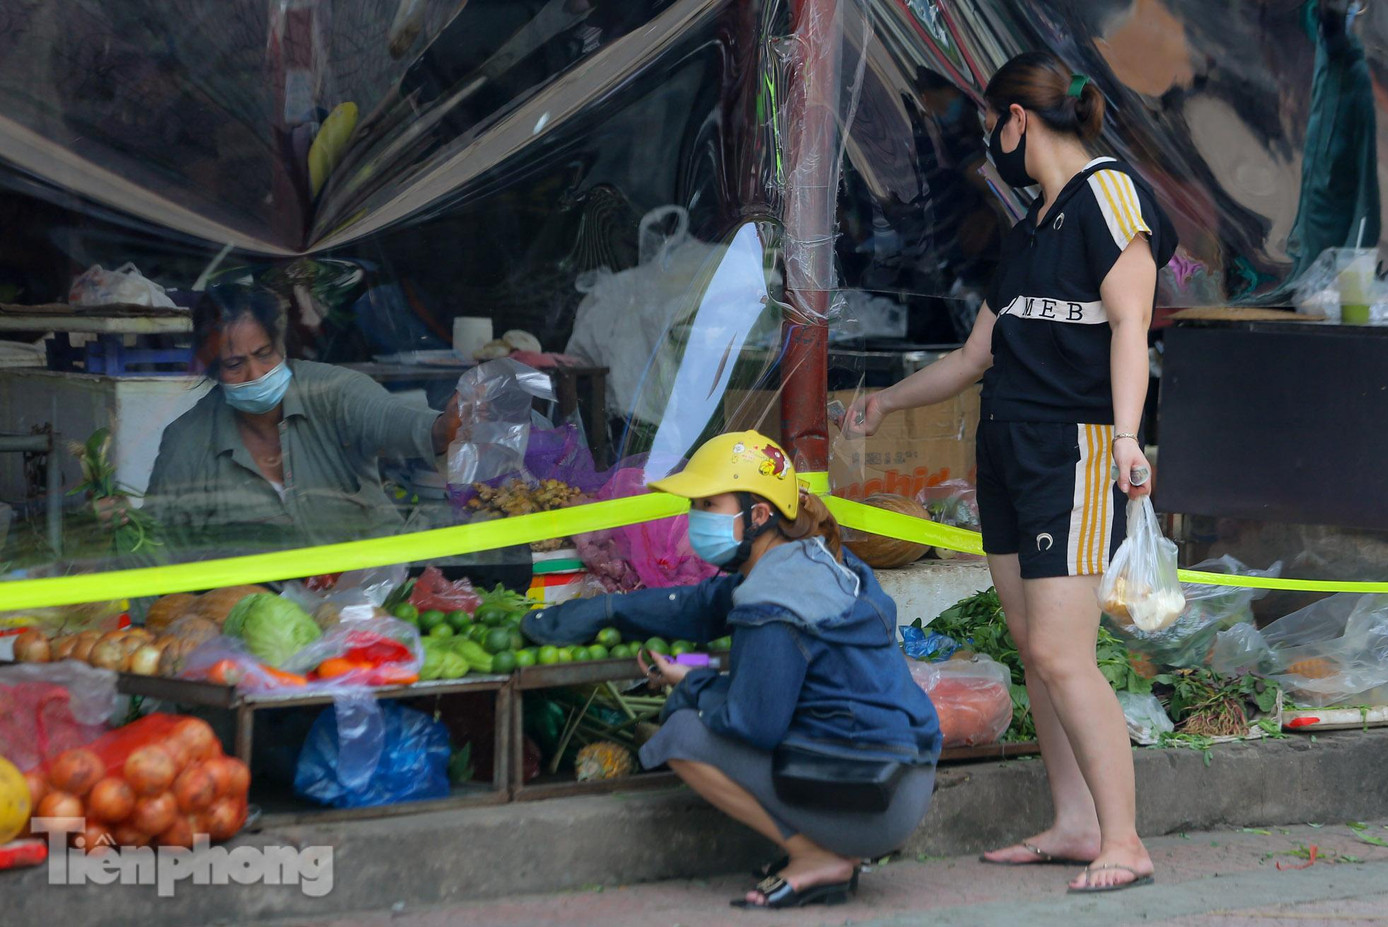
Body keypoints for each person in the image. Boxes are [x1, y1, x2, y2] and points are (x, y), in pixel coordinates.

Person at [846, 52, 1177, 894]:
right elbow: (971, 356)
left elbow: (1133, 328)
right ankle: (1072, 823)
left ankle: (1124, 839)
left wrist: (1131, 438)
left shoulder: (1110, 198)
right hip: (1007, 450)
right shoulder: (1036, 224)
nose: (991, 141)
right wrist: (887, 400)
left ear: (1018, 120)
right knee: (1036, 650)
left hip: (1075, 451)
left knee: (1066, 655)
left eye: (994, 124)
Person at [522, 431, 940, 909]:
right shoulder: (810, 558)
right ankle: (828, 849)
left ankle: (815, 857)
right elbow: (699, 606)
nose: (695, 517)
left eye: (708, 504)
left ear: (758, 514)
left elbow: (753, 724)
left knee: (681, 734)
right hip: (899, 777)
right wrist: (607, 612)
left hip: (872, 797)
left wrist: (693, 681)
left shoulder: (774, 598)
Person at [144, 285, 461, 554]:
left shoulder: (333, 392)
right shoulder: (186, 441)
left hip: (369, 599)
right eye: (235, 364)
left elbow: (392, 420)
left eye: (264, 353)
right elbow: (157, 546)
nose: (256, 374)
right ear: (209, 366)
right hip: (253, 613)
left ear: (282, 345)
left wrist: (440, 429)